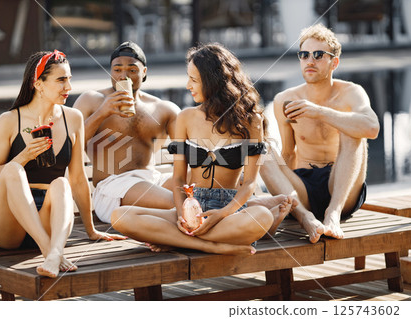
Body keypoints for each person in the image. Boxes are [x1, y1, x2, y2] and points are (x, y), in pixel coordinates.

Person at [111, 43, 295, 255]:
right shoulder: (186, 118)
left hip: (229, 209)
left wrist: (223, 213)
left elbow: (250, 182)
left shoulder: (251, 121)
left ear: (212, 81)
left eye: (194, 79)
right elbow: (179, 180)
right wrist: (183, 215)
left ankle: (175, 240)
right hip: (192, 203)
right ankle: (210, 245)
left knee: (262, 217)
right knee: (120, 216)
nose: (188, 85)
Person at [0, 50, 125, 278]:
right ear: (38, 84)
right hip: (8, 224)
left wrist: (91, 230)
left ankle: (53, 254)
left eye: (69, 79)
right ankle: (51, 252)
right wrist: (24, 156)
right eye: (61, 80)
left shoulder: (73, 118)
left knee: (61, 182)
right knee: (13, 169)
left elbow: (78, 179)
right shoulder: (10, 120)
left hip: (50, 218)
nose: (68, 87)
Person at [260, 24, 380, 243]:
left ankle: (332, 214)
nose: (310, 61)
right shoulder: (284, 100)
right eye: (304, 55)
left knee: (354, 128)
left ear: (334, 62)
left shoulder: (351, 93)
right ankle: (306, 218)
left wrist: (319, 112)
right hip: (304, 189)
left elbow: (371, 128)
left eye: (318, 55)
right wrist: (280, 188)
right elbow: (288, 152)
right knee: (262, 150)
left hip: (344, 190)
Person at [73, 41, 181, 224]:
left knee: (202, 188)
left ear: (144, 72)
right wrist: (102, 113)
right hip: (112, 188)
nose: (124, 76)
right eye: (117, 70)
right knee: (179, 202)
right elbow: (69, 147)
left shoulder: (164, 109)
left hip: (153, 180)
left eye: (132, 70)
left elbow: (191, 150)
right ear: (110, 72)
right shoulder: (91, 100)